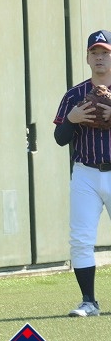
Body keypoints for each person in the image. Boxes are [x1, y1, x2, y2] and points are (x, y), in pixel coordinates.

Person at [53, 29, 111, 317]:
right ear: (87, 58)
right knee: (80, 239)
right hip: (85, 173)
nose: (99, 57)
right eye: (94, 53)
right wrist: (72, 119)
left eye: (105, 53)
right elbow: (60, 138)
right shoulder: (74, 94)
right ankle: (89, 301)